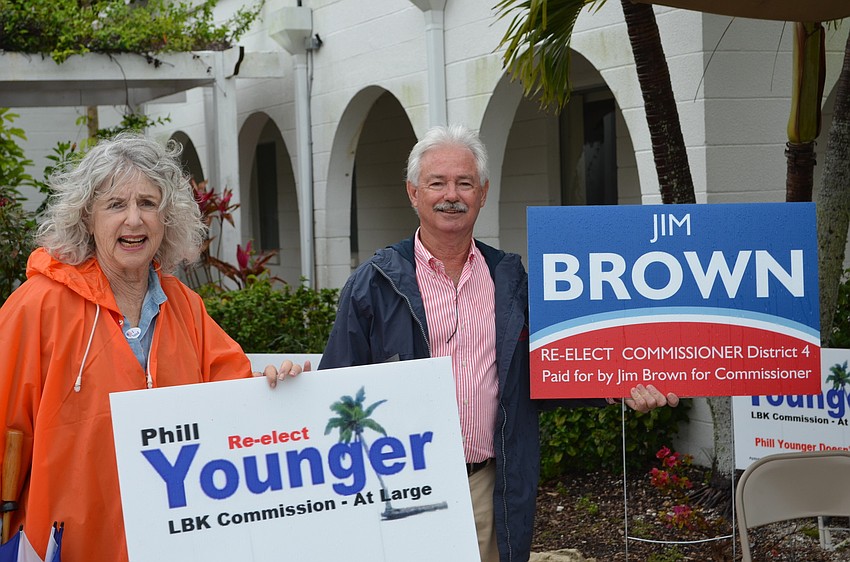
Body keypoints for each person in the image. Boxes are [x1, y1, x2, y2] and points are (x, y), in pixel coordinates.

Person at [319, 124, 679, 562]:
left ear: (483, 193)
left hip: (487, 486)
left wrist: (618, 384)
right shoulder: (373, 285)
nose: (451, 195)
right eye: (437, 183)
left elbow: (548, 368)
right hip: (400, 488)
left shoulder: (511, 280)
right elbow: (334, 393)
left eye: (464, 183)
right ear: (413, 192)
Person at [0, 133, 303, 562]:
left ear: (167, 217)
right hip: (67, 549)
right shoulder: (38, 306)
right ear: (87, 217)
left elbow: (233, 403)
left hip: (173, 544)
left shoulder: (186, 307)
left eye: (147, 203)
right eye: (115, 205)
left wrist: (280, 392)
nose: (134, 220)